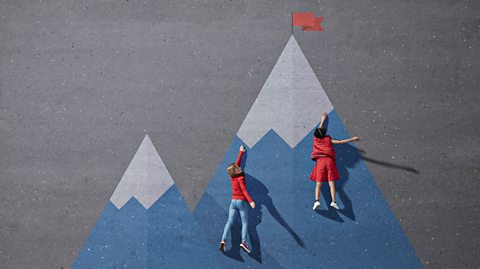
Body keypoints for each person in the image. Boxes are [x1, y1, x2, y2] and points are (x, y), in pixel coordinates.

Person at [310, 112, 360, 210]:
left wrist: (323, 119)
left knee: (318, 183)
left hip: (320, 162)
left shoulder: (315, 139)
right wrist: (352, 139)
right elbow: (341, 142)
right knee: (331, 183)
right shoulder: (329, 140)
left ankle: (316, 201)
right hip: (329, 162)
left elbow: (320, 127)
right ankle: (333, 201)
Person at [219, 145, 256, 254]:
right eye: (238, 167)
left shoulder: (232, 176)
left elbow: (236, 164)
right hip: (241, 202)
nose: (239, 167)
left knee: (229, 221)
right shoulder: (241, 178)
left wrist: (240, 152)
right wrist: (251, 201)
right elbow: (244, 191)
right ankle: (243, 242)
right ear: (237, 170)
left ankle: (223, 240)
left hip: (233, 201)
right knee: (245, 222)